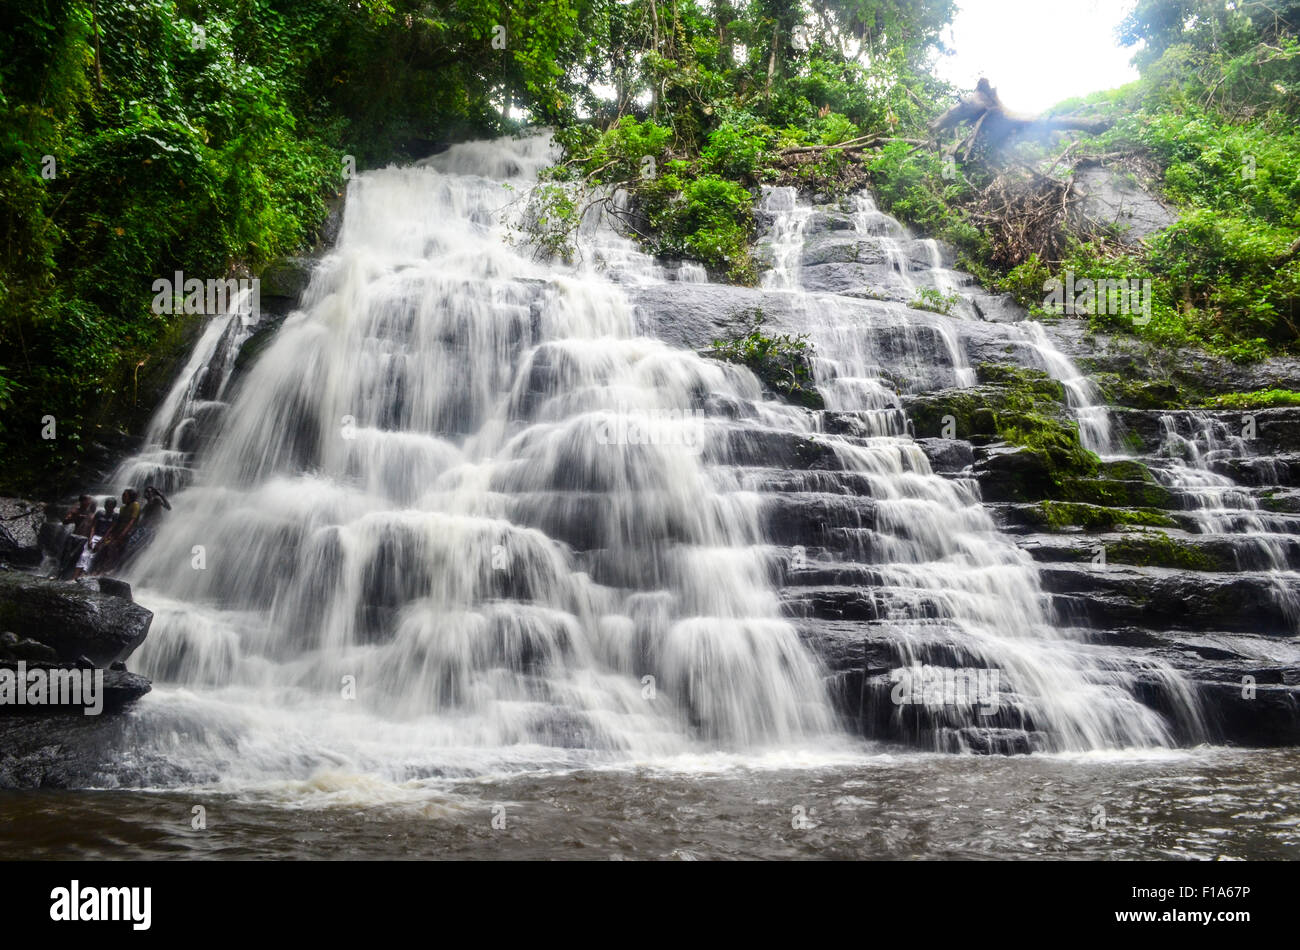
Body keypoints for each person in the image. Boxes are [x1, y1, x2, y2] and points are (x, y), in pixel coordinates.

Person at [94, 489, 140, 575]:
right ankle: (100, 569)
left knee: (114, 548)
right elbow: (118, 522)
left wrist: (123, 534)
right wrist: (110, 535)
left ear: (130, 497)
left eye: (124, 496)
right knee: (105, 546)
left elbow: (132, 521)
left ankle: (111, 569)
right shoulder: (122, 508)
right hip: (119, 532)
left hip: (129, 533)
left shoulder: (135, 505)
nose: (122, 497)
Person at [78, 497, 117, 579]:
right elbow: (93, 527)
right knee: (84, 555)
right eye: (106, 505)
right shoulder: (99, 513)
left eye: (110, 505)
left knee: (93, 556)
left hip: (104, 538)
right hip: (95, 536)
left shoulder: (115, 516)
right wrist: (90, 539)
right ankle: (79, 574)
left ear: (113, 506)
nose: (107, 507)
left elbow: (110, 530)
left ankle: (86, 573)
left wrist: (100, 542)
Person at [60, 495, 97, 579]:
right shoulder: (75, 511)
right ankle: (61, 573)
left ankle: (74, 576)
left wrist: (90, 539)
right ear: (82, 501)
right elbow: (65, 521)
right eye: (88, 500)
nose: (90, 502)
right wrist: (75, 517)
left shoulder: (92, 513)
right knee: (67, 555)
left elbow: (92, 527)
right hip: (74, 536)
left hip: (85, 539)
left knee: (80, 558)